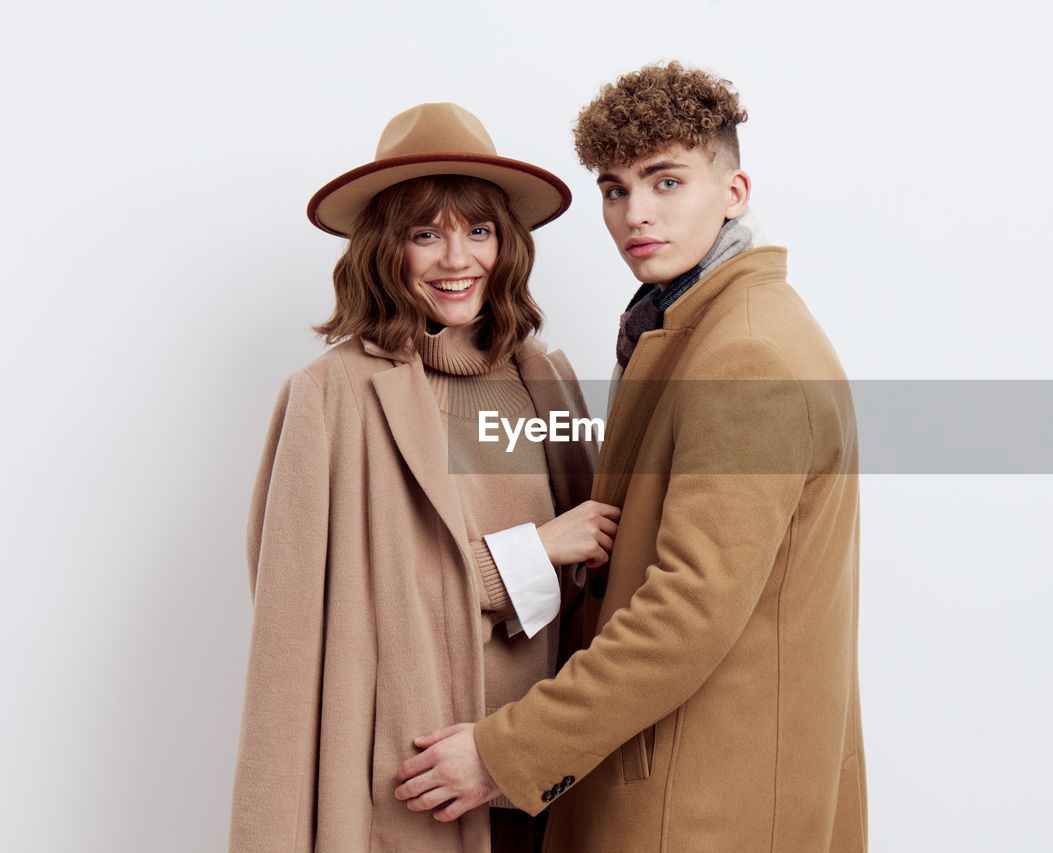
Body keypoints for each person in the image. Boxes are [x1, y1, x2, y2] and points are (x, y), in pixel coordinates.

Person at [395, 64, 866, 851]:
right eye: (615, 189)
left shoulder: (745, 352)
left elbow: (685, 611)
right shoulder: (691, 324)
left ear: (734, 192)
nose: (634, 214)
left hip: (701, 802)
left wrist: (505, 751)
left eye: (666, 181)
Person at [229, 102, 620, 853]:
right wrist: (531, 553)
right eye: (424, 233)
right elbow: (307, 622)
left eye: (478, 230)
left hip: (535, 776)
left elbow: (591, 588)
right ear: (386, 248)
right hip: (400, 781)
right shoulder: (331, 395)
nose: (456, 258)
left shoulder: (545, 382)